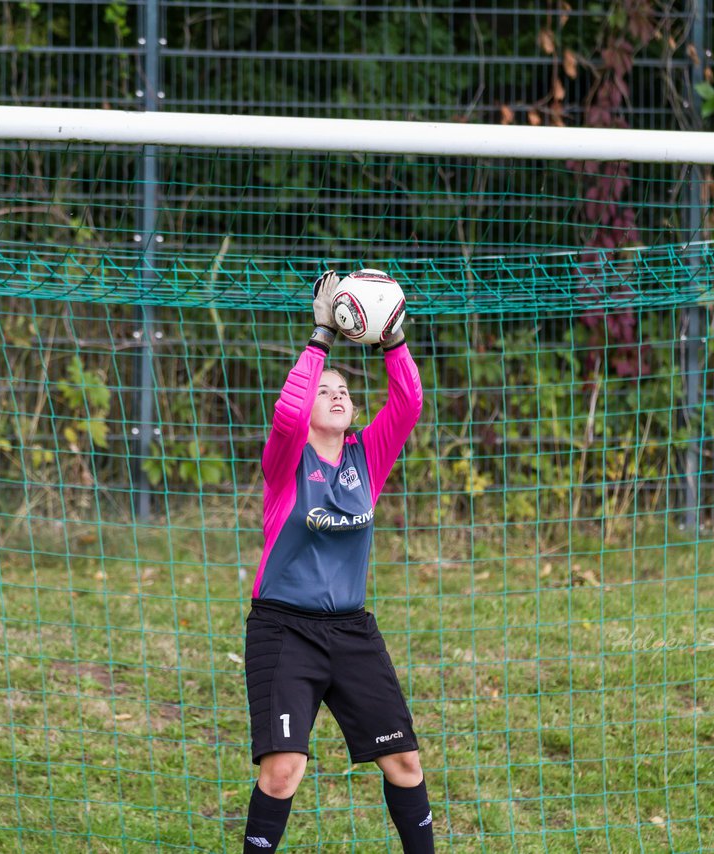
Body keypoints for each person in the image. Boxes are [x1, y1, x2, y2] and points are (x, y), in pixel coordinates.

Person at [242, 270, 432, 853]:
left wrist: (393, 341)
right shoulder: (286, 461)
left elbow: (409, 401)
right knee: (282, 771)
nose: (339, 394)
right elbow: (287, 412)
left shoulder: (366, 460)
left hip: (351, 631)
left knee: (403, 761)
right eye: (326, 390)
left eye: (345, 389)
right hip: (283, 629)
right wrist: (321, 336)